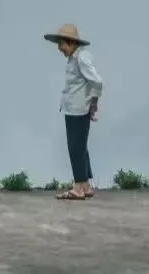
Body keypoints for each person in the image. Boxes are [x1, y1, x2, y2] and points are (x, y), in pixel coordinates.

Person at [44, 22, 103, 200]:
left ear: (71, 42)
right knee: (80, 147)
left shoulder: (81, 58)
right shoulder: (75, 58)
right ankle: (85, 185)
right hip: (74, 108)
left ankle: (78, 187)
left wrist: (93, 103)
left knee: (75, 147)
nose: (59, 48)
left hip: (77, 109)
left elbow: (97, 81)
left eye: (61, 44)